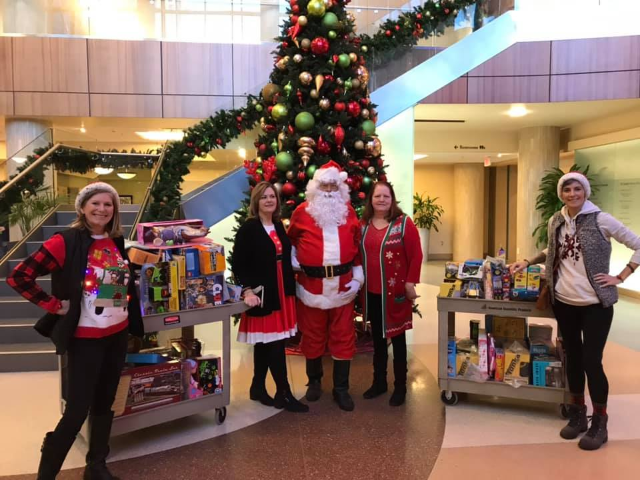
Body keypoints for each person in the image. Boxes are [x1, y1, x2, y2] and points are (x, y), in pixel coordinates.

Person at [7, 182, 144, 479]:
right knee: (77, 410)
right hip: (85, 339)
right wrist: (53, 305)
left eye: (109, 204)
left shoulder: (116, 241)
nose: (102, 209)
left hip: (116, 333)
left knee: (105, 403)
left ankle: (96, 465)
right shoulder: (65, 241)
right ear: (82, 207)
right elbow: (19, 276)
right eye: (95, 203)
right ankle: (47, 473)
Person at [511, 172, 640, 451]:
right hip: (564, 302)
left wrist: (621, 276)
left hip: (595, 305)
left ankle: (600, 422)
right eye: (567, 189)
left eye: (577, 189)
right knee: (572, 359)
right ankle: (578, 414)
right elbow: (552, 249)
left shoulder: (601, 219)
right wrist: (527, 261)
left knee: (592, 361)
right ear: (561, 194)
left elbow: (637, 243)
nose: (572, 194)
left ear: (586, 192)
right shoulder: (556, 220)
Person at [287, 161, 363, 411]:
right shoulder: (301, 211)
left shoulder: (349, 212)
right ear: (315, 187)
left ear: (340, 187)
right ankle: (314, 382)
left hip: (343, 287)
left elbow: (357, 247)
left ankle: (341, 389)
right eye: (325, 185)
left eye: (333, 185)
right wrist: (295, 258)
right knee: (312, 336)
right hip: (312, 288)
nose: (329, 190)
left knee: (343, 337)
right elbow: (291, 242)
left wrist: (357, 278)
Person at [232, 181, 308, 413]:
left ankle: (257, 387)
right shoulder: (249, 228)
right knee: (274, 344)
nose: (268, 200)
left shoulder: (277, 226)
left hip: (281, 293)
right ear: (256, 201)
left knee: (267, 343)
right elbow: (238, 263)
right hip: (263, 295)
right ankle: (283, 392)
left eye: (272, 197)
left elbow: (285, 257)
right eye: (264, 197)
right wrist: (245, 290)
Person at [359, 182, 423, 406]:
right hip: (372, 294)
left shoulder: (403, 223)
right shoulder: (364, 225)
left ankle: (400, 387)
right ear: (371, 199)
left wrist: (410, 282)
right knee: (377, 341)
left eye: (386, 196)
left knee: (397, 340)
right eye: (378, 196)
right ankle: (379, 383)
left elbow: (416, 254)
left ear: (392, 199)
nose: (382, 200)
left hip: (395, 294)